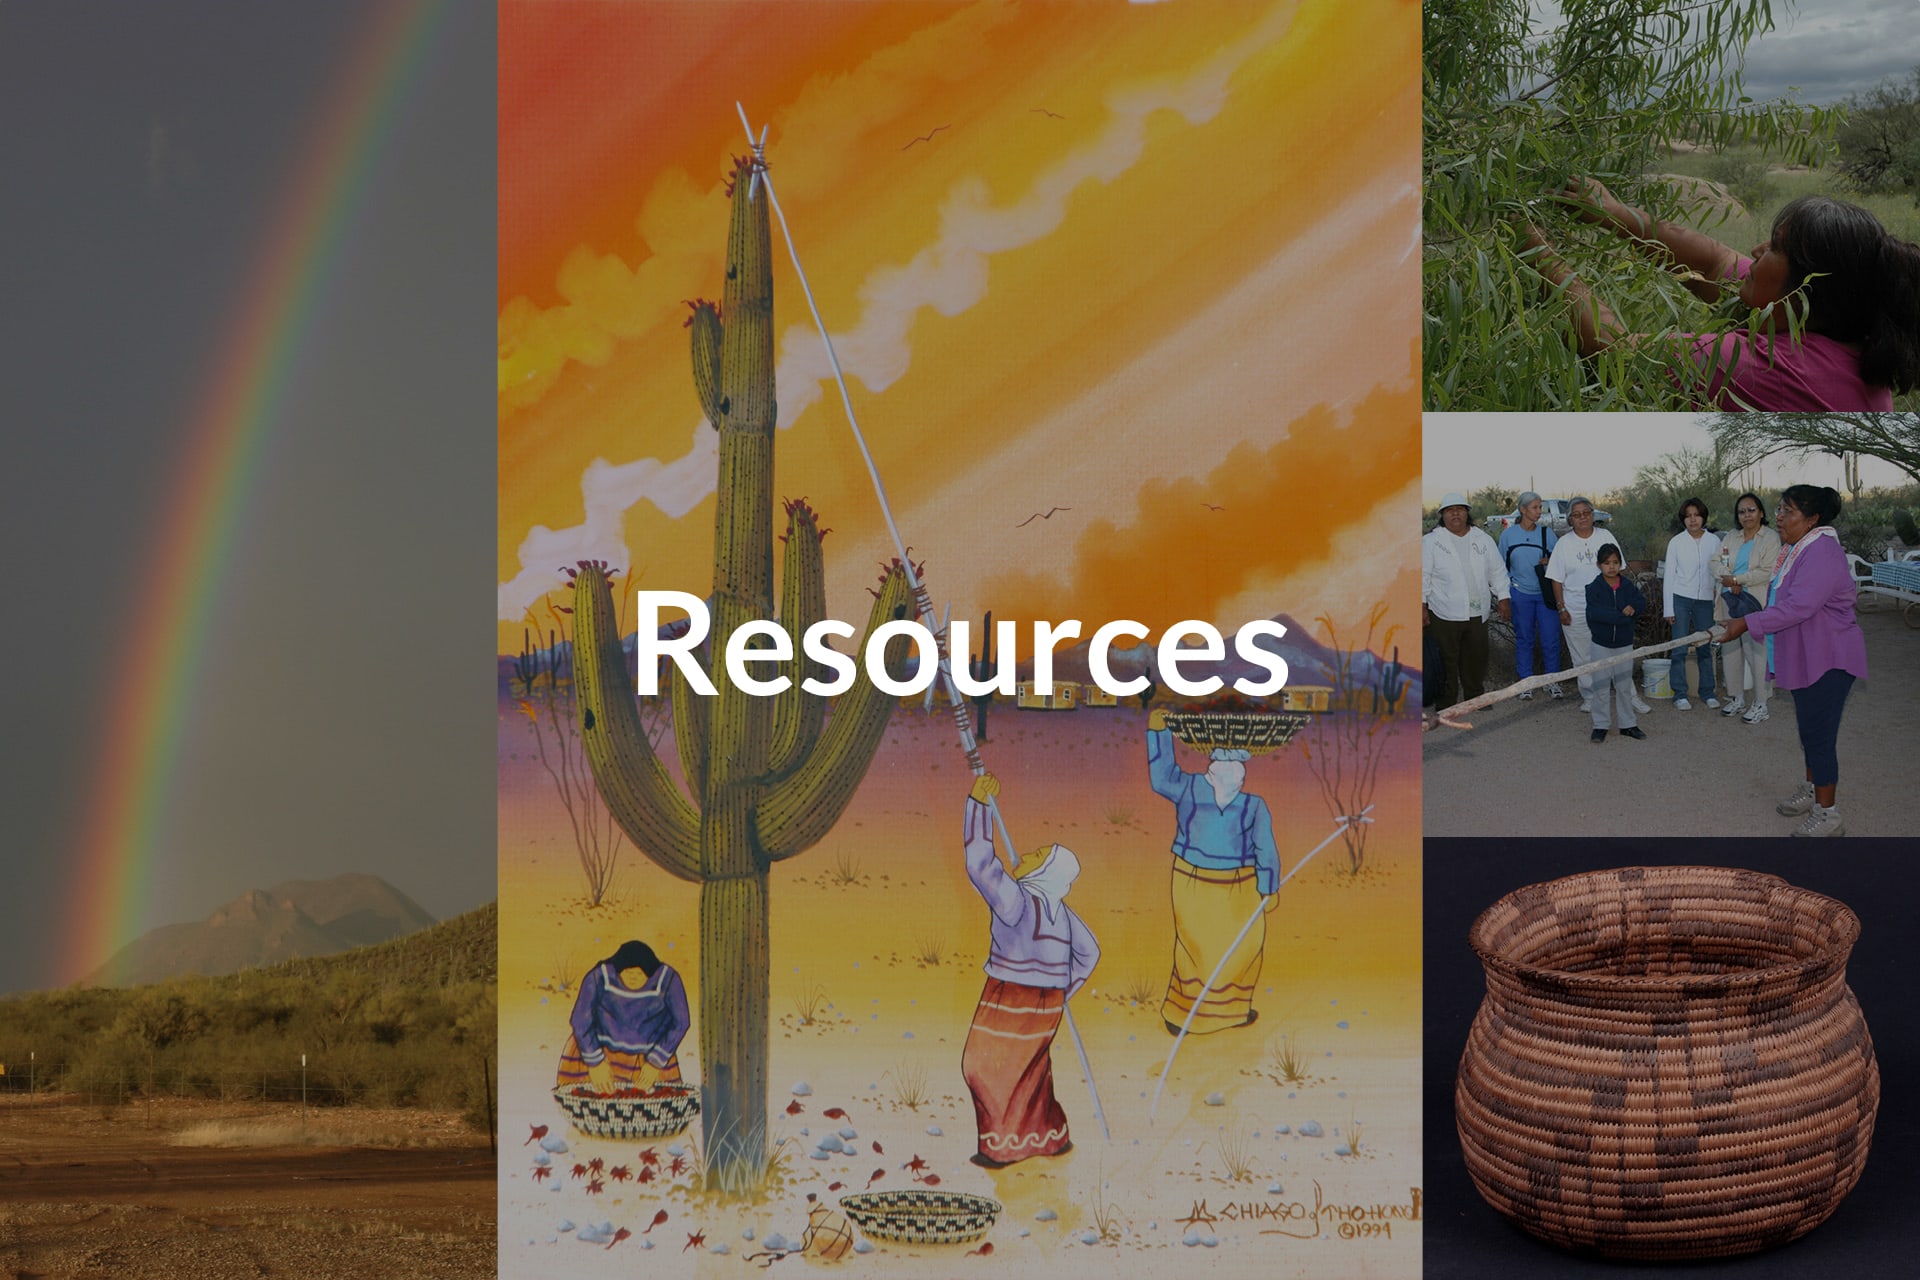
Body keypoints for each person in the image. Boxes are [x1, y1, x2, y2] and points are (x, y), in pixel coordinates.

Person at [1523, 182, 1920, 410]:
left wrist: (1532, 247)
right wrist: (1613, 213)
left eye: (1777, 248)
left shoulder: (1778, 369)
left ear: (1806, 291)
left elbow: (1616, 350)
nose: (1757, 250)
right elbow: (1714, 263)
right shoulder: (1840, 323)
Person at [960, 771, 1098, 1166]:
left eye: (1036, 856)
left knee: (985, 1066)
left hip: (1011, 999)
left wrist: (978, 808)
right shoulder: (1062, 914)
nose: (1023, 857)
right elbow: (1089, 955)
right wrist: (1059, 993)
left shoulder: (1017, 903)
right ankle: (1046, 1137)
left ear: (1046, 873)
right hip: (1044, 1005)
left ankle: (1003, 1147)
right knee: (1028, 1072)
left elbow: (982, 866)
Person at [1718, 485, 1867, 837]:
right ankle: (1813, 790)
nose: (1780, 517)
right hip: (1807, 654)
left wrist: (1746, 623)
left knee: (1819, 736)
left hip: (1828, 657)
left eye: (1788, 511)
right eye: (1780, 509)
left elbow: (1799, 606)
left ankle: (1829, 815)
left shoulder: (1822, 552)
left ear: (1813, 518)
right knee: (1809, 732)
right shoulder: (1798, 549)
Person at [1146, 710, 1278, 1035]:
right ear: (1212, 770)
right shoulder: (1190, 789)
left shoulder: (1254, 805)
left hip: (1241, 888)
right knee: (1195, 948)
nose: (1233, 775)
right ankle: (1183, 1015)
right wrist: (1158, 733)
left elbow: (1266, 849)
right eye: (1225, 767)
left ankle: (1232, 1011)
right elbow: (1161, 777)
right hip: (1193, 883)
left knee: (1244, 946)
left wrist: (1268, 887)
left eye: (1238, 770)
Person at [1545, 497, 1644, 715]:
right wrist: (1561, 608)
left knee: (1618, 653)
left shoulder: (1605, 536)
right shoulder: (1564, 544)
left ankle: (1630, 697)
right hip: (1576, 606)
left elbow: (1621, 568)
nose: (1582, 518)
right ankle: (1590, 697)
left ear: (1593, 515)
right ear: (1570, 519)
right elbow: (1556, 579)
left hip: (1609, 606)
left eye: (1586, 513)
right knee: (1582, 656)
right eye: (1577, 514)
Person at [556, 940, 690, 1093]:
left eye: (639, 973)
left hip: (649, 1058)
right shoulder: (600, 977)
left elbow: (681, 1022)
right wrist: (595, 1062)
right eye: (628, 973)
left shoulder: (668, 980)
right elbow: (580, 1020)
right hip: (600, 1051)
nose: (633, 978)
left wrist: (655, 1062)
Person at [1422, 492, 1512, 708]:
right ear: (1442, 515)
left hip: (1477, 611)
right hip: (1444, 611)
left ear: (1467, 513)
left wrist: (1504, 597)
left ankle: (1474, 697)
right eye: (1450, 510)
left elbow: (1497, 571)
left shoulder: (1482, 539)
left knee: (1476, 657)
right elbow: (1422, 575)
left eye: (1460, 509)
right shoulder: (1431, 541)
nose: (1455, 513)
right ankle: (1447, 702)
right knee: (1446, 659)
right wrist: (1421, 606)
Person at [1712, 492, 1783, 723]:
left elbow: (1767, 570)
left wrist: (1737, 581)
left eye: (1751, 510)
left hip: (1755, 602)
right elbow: (1716, 562)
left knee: (1757, 653)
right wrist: (1727, 578)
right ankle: (1737, 698)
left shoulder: (1770, 538)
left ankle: (1761, 703)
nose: (1746, 515)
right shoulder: (1731, 537)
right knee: (1730, 650)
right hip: (1729, 601)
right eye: (1742, 511)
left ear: (1761, 513)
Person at [1497, 491, 1563, 700]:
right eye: (1535, 507)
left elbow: (1560, 562)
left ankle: (1552, 681)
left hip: (1545, 595)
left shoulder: (1547, 534)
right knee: (1524, 639)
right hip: (1520, 594)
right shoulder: (1508, 536)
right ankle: (1525, 682)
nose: (1539, 512)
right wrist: (1506, 594)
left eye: (1540, 507)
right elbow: (1500, 566)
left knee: (1550, 639)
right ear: (1523, 509)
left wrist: (1549, 562)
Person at [1661, 497, 1723, 710]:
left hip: (1705, 600)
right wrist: (1668, 608)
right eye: (1688, 516)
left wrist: (1717, 600)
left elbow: (1720, 571)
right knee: (1679, 646)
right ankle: (1679, 694)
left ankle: (1707, 691)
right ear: (1683, 520)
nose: (1693, 520)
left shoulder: (1714, 541)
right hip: (1680, 598)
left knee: (1705, 645)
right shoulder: (1676, 542)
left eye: (1696, 515)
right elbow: (1669, 575)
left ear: (1703, 516)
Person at [1584, 544, 1649, 744]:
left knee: (1623, 686)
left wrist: (1633, 607)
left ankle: (1628, 724)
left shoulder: (1628, 586)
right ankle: (1600, 725)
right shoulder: (1593, 588)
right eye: (1606, 563)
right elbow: (1595, 614)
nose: (1611, 567)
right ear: (1598, 565)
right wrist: (1623, 616)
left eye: (1615, 563)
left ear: (1620, 564)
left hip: (1623, 644)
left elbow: (1641, 604)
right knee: (1601, 686)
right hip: (1600, 644)